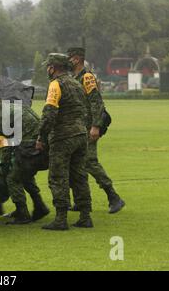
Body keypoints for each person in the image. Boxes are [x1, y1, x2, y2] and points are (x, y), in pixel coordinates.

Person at [36, 53, 93, 231]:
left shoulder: (55, 84)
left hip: (63, 138)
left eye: (49, 66)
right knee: (80, 177)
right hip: (80, 136)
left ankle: (61, 219)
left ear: (53, 67)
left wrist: (41, 137)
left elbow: (49, 114)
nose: (47, 69)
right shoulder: (77, 83)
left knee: (58, 177)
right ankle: (85, 216)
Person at [67, 47, 125, 214]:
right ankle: (81, 200)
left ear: (76, 59)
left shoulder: (86, 77)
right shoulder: (75, 77)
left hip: (88, 127)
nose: (68, 61)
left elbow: (96, 102)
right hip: (78, 127)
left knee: (90, 162)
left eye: (69, 58)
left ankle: (114, 197)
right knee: (76, 163)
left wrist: (96, 126)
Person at [0, 92, 50, 225]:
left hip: (30, 148)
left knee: (12, 178)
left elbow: (5, 149)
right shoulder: (14, 107)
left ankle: (23, 214)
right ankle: (39, 206)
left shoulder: (0, 118)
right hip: (43, 146)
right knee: (24, 174)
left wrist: (3, 168)